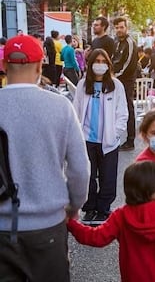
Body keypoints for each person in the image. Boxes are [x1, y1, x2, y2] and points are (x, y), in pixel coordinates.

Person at [0, 34, 90, 281]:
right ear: (41, 66)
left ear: (5, 66)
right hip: (48, 226)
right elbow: (80, 169)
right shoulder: (60, 106)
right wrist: (73, 206)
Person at [73, 48, 128, 224]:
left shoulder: (116, 85)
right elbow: (76, 109)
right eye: (96, 61)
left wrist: (116, 132)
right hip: (87, 138)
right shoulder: (83, 85)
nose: (100, 65)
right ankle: (89, 208)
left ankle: (103, 209)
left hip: (109, 139)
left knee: (108, 175)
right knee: (88, 175)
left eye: (104, 62)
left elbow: (122, 112)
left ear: (108, 65)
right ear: (90, 64)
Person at [112, 17, 138, 151]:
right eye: (117, 28)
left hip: (126, 81)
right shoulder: (116, 41)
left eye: (121, 27)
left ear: (126, 28)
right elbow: (114, 60)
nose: (119, 30)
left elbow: (129, 64)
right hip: (115, 79)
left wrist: (114, 76)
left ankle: (130, 140)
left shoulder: (130, 42)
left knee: (128, 108)